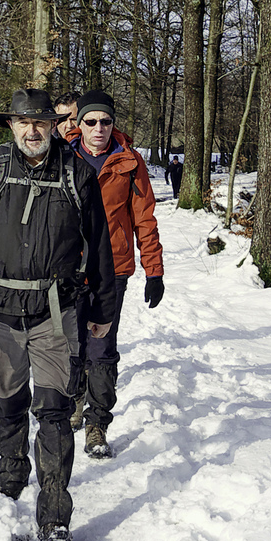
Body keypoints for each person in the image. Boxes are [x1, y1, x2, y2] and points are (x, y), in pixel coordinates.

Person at [0, 88, 115, 541]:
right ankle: (11, 470)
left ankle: (54, 511)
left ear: (54, 127)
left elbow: (100, 246)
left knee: (54, 410)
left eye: (41, 123)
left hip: (58, 312)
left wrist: (102, 312)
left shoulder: (77, 173)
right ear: (11, 126)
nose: (32, 131)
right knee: (9, 399)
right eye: (23, 123)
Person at [62, 89, 165, 459]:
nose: (99, 128)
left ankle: (97, 423)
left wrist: (154, 270)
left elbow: (144, 218)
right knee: (70, 344)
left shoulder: (130, 162)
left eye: (106, 121)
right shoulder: (62, 158)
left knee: (102, 347)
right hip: (68, 268)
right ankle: (72, 402)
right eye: (91, 121)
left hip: (113, 271)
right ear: (80, 124)